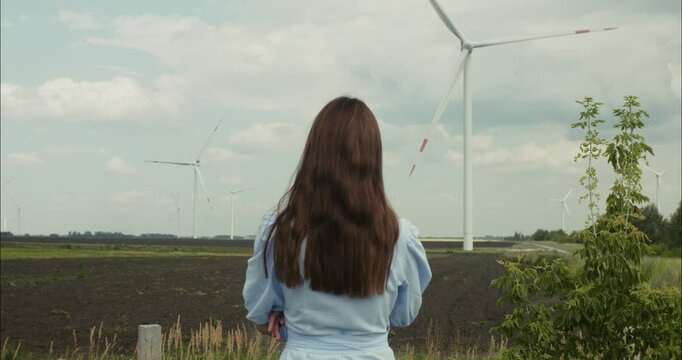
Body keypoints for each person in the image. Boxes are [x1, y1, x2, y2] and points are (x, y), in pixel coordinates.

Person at [243, 96, 431, 359]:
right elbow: (403, 315)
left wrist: (284, 322)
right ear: (373, 158)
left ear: (314, 153)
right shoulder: (398, 235)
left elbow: (259, 312)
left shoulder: (281, 229)